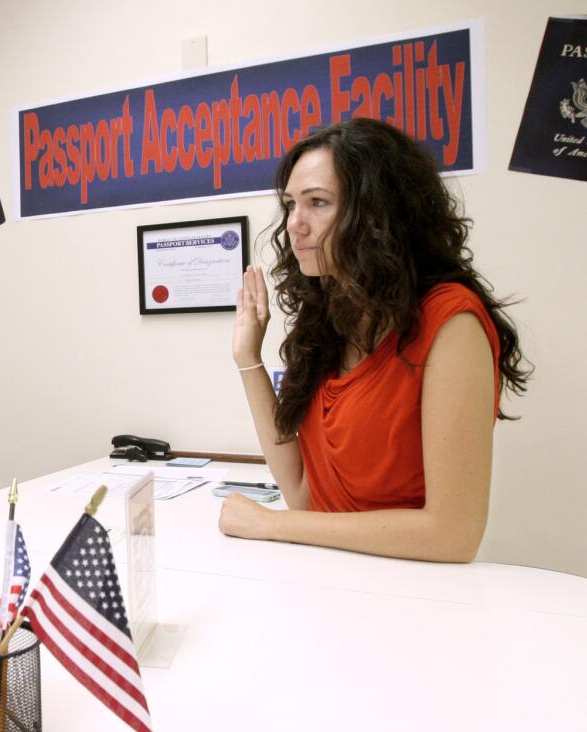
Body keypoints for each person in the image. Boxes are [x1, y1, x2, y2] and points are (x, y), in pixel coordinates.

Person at [222, 118, 530, 563]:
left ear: (378, 214)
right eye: (291, 204)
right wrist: (247, 358)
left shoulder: (451, 321)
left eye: (318, 203)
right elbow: (303, 495)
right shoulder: (330, 317)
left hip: (409, 596)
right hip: (331, 576)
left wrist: (270, 524)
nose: (295, 224)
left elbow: (453, 535)